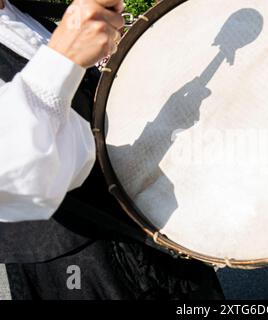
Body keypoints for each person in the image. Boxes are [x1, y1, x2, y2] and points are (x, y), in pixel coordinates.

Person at [0, 0, 224, 299]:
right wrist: (64, 57)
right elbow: (17, 177)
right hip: (78, 254)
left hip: (136, 218)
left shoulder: (20, 10)